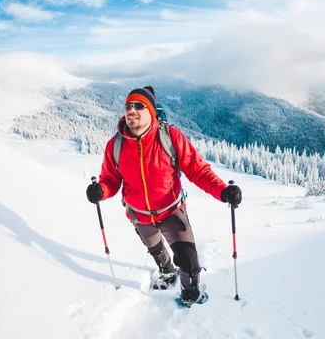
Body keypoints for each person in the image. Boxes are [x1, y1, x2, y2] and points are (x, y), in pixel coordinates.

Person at [86, 86, 242, 304]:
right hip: (139, 216)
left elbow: (198, 171)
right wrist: (100, 191)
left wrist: (223, 191)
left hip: (171, 211)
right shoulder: (116, 145)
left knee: (188, 260)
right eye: (128, 106)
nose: (132, 110)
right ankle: (167, 273)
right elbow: (111, 179)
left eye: (139, 105)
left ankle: (190, 292)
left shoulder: (170, 138)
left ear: (151, 111)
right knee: (157, 250)